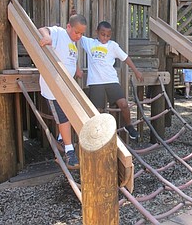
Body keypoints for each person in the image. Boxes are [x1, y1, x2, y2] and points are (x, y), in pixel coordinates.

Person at [38, 14, 87, 170]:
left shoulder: (73, 43)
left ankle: (61, 139)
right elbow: (42, 29)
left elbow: (71, 59)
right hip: (54, 87)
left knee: (70, 115)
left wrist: (77, 69)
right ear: (68, 27)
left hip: (67, 87)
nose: (78, 36)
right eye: (76, 32)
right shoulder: (59, 33)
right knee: (63, 118)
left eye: (81, 34)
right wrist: (47, 38)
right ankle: (69, 151)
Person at [80, 21, 143, 140]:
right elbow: (76, 33)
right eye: (102, 34)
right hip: (96, 82)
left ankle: (128, 126)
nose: (105, 37)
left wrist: (136, 71)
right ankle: (97, 135)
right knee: (97, 110)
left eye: (108, 35)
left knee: (124, 104)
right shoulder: (89, 43)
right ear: (97, 32)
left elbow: (126, 58)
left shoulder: (113, 46)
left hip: (111, 80)